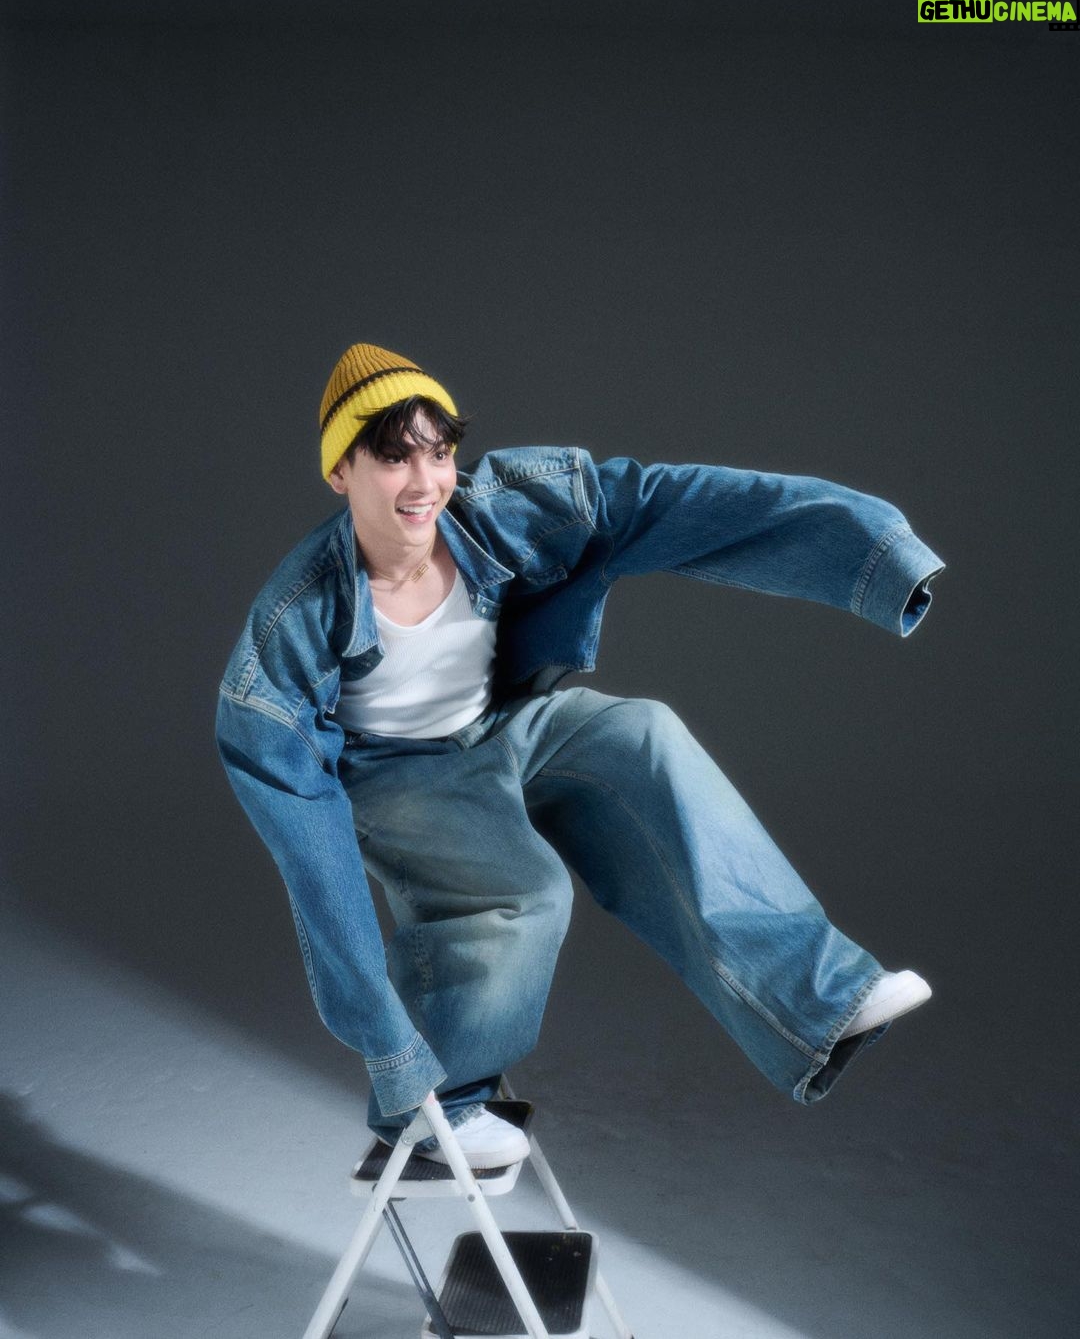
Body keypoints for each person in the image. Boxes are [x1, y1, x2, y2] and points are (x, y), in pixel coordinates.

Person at [216, 342, 944, 1169]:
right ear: (339, 472)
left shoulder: (501, 509)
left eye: (439, 452)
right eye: (392, 459)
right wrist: (395, 1059)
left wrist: (874, 553)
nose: (424, 482)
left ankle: (819, 1001)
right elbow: (314, 862)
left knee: (645, 734)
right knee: (526, 892)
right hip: (391, 777)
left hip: (502, 728)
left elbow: (669, 501)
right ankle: (443, 1109)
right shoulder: (292, 624)